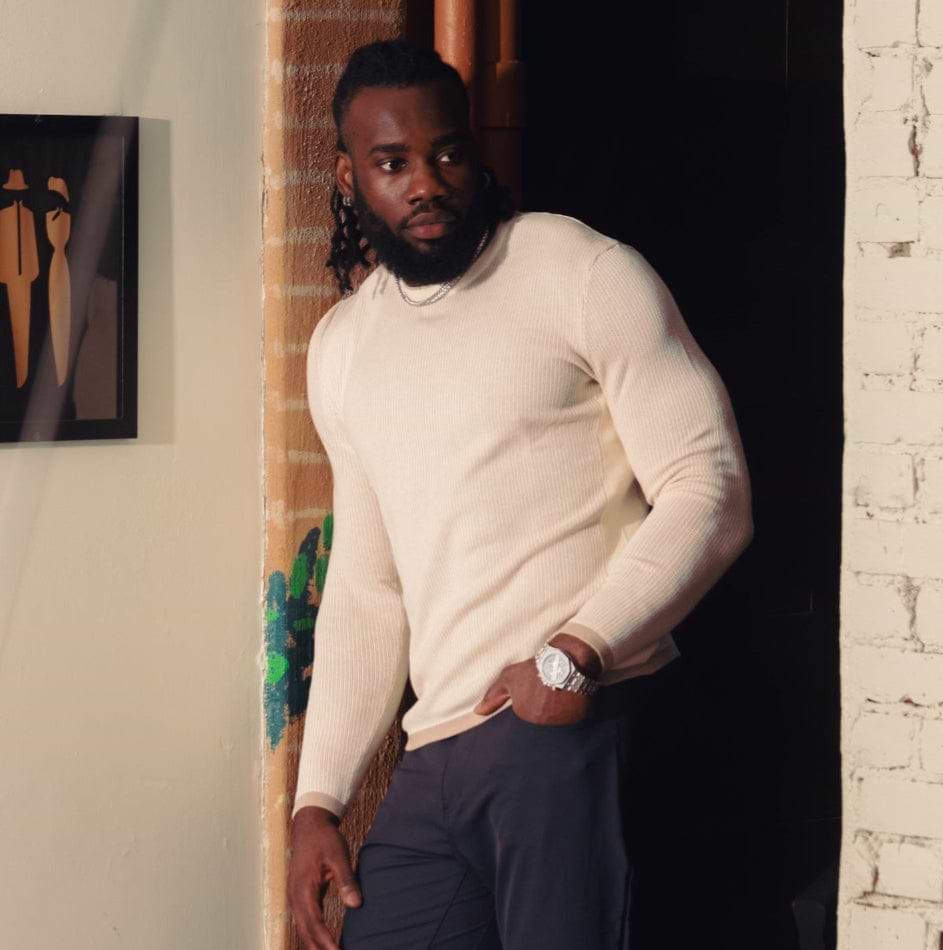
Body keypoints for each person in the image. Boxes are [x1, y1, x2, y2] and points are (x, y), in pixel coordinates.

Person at [287, 39, 754, 950]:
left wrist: (575, 652)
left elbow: (712, 486)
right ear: (349, 178)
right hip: (436, 754)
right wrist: (319, 800)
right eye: (392, 163)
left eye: (448, 152)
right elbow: (368, 587)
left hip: (569, 719)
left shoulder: (576, 269)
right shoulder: (342, 348)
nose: (427, 182)